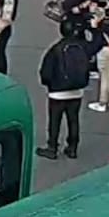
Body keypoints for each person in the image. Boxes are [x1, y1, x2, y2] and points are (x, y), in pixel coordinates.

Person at [37, 18, 92, 160]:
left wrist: (49, 84)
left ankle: (52, 147)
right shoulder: (81, 47)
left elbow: (46, 72)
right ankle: (72, 147)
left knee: (55, 121)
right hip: (77, 91)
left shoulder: (56, 49)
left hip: (57, 92)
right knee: (73, 120)